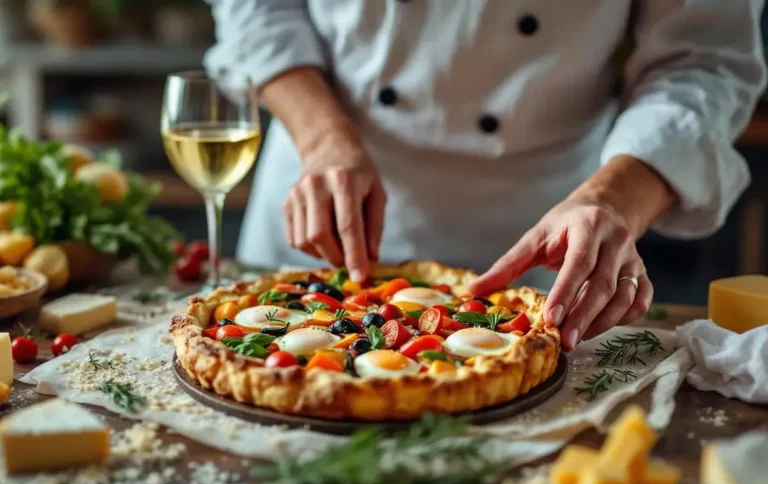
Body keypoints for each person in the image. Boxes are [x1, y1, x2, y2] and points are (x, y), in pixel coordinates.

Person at [203, 1, 766, 350]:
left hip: (541, 231)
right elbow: (257, 8)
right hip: (324, 193)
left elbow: (703, 61)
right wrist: (323, 138)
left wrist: (615, 200)